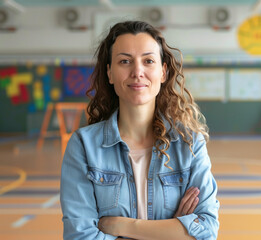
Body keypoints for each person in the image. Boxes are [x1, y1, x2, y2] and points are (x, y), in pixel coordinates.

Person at [60, 20, 219, 240]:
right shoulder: (84, 146)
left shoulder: (190, 143)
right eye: (125, 61)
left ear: (163, 72)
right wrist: (172, 231)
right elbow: (81, 236)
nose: (137, 71)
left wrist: (125, 226)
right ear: (110, 73)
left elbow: (208, 230)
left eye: (148, 61)